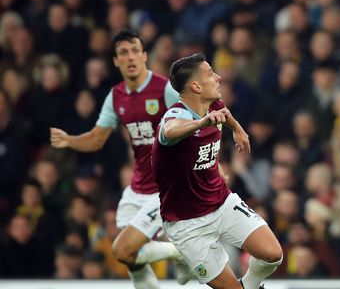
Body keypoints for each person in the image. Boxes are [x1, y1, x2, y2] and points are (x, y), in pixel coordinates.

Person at [50, 30, 192, 288]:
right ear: (115, 61)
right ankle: (177, 251)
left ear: (145, 56)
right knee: (132, 261)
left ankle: (178, 251)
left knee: (121, 250)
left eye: (135, 50)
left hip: (166, 189)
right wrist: (70, 140)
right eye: (124, 52)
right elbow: (96, 139)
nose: (130, 57)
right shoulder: (116, 97)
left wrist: (209, 168)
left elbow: (196, 128)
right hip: (137, 188)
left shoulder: (165, 90)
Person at [153, 53, 282, 289]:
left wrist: (238, 129)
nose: (219, 77)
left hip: (221, 203)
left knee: (274, 254)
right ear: (195, 86)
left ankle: (249, 286)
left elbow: (224, 114)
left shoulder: (214, 104)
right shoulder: (175, 116)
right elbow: (169, 131)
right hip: (187, 224)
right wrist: (201, 123)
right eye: (211, 73)